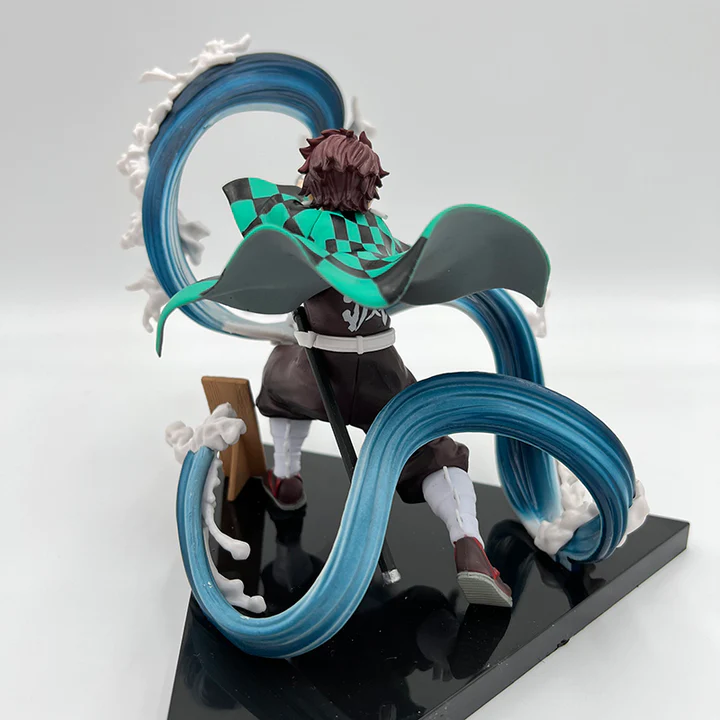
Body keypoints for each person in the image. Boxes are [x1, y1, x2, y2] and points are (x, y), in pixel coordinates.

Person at [158, 128, 551, 608]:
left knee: (278, 380)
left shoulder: (297, 223)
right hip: (384, 375)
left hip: (318, 371)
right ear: (371, 184)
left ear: (313, 177)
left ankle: (287, 477)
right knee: (433, 451)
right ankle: (468, 544)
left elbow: (262, 224)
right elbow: (410, 266)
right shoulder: (379, 235)